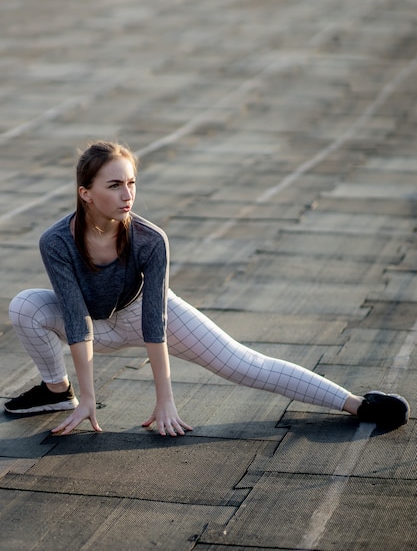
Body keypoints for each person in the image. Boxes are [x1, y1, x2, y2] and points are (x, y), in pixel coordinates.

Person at [4, 141, 410, 435]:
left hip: (146, 311)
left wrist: (165, 399)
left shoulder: (150, 239)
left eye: (131, 183)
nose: (127, 194)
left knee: (242, 364)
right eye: (113, 186)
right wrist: (89, 397)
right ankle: (58, 392)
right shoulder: (56, 241)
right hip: (96, 324)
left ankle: (356, 403)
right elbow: (77, 322)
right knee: (26, 306)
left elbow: (154, 325)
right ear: (85, 193)